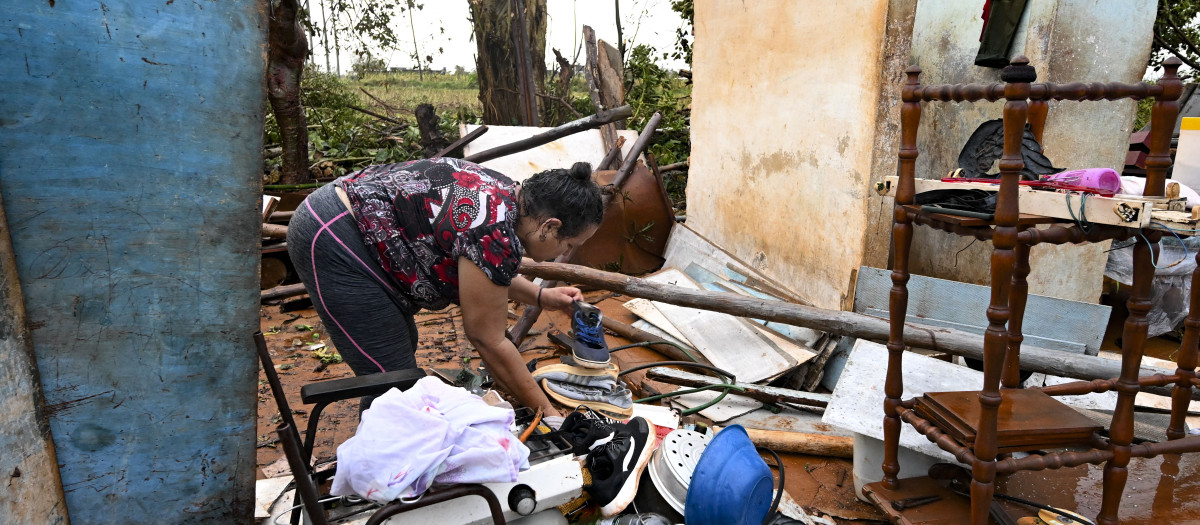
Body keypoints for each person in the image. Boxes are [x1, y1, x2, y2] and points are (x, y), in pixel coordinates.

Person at [287, 158, 604, 422]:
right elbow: (488, 339)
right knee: (394, 383)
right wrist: (547, 413)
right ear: (550, 226)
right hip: (336, 238)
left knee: (398, 352)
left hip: (343, 218)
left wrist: (540, 296)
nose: (564, 253)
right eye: (569, 244)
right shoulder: (494, 230)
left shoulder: (507, 197)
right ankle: (385, 477)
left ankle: (388, 455)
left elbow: (487, 275)